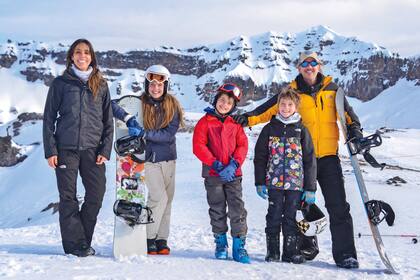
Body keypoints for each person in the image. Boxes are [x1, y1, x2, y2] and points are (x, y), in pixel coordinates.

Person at [233, 51, 363, 269]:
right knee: (300, 205)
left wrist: (355, 132)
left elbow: (349, 117)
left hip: (329, 158)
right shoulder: (290, 92)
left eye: (313, 63)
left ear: (319, 66)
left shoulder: (334, 91)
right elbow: (266, 111)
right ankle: (306, 247)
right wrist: (244, 120)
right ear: (299, 67)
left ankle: (345, 255)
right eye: (305, 63)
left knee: (338, 207)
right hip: (299, 162)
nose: (309, 67)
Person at [43, 38, 113, 257]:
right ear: (71, 56)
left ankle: (81, 240)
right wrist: (51, 150)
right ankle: (76, 246)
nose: (82, 56)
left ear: (92, 57)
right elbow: (48, 118)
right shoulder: (61, 83)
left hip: (93, 150)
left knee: (96, 194)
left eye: (86, 52)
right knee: (68, 197)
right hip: (66, 149)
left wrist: (104, 150)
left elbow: (107, 120)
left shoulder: (100, 84)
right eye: (78, 52)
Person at [112, 65, 184, 255]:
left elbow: (168, 134)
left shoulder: (173, 106)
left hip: (169, 159)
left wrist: (145, 133)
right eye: (152, 84)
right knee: (157, 198)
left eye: (160, 85)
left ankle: (162, 239)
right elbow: (110, 104)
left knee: (168, 200)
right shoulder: (138, 103)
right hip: (150, 159)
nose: (155, 88)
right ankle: (149, 237)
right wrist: (128, 117)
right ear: (146, 84)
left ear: (166, 86)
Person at [254, 87, 316, 264]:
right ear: (278, 106)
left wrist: (310, 188)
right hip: (273, 183)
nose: (286, 108)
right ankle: (272, 252)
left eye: (290, 105)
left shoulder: (301, 130)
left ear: (296, 107)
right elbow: (260, 157)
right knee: (273, 216)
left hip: (295, 186)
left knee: (290, 218)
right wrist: (260, 182)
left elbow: (310, 160)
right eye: (282, 104)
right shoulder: (269, 129)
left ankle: (290, 253)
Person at [192, 83, 250, 264]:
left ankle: (239, 245)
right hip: (213, 174)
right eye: (222, 100)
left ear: (233, 106)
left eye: (229, 103)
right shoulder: (205, 122)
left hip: (233, 174)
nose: (224, 105)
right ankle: (221, 243)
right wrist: (215, 164)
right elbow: (198, 146)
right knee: (217, 208)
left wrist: (234, 164)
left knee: (237, 209)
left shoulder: (236, 123)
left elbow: (243, 145)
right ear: (216, 100)